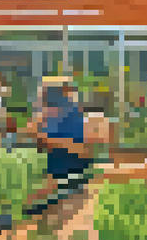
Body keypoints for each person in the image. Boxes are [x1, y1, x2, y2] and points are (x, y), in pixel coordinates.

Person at [23, 77, 94, 207]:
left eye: (44, 92)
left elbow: (82, 150)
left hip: (71, 178)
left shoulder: (72, 115)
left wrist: (42, 136)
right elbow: (43, 145)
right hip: (54, 174)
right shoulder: (48, 115)